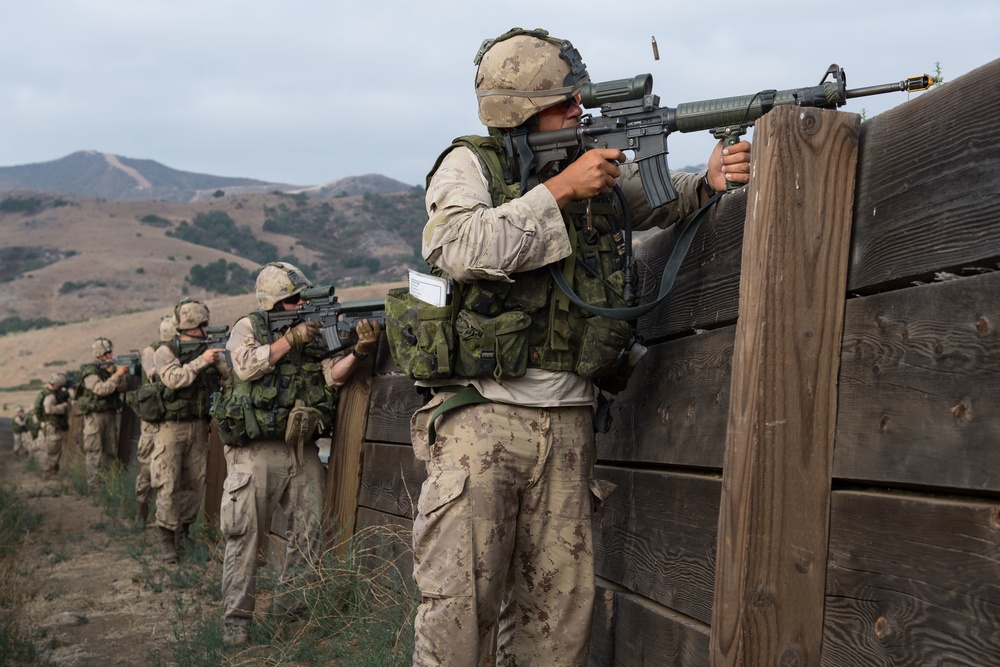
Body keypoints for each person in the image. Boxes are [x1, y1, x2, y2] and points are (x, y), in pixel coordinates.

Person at [403, 28, 752, 666]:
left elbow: (650, 201)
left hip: (568, 426)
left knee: (557, 628)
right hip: (483, 421)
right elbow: (455, 247)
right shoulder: (471, 165)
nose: (579, 112)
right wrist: (562, 191)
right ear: (522, 110)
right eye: (565, 103)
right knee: (457, 619)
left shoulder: (584, 164)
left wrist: (707, 179)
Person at [215, 261, 380, 647]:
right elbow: (244, 367)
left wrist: (358, 351)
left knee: (309, 532)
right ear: (274, 304)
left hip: (302, 449)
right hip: (255, 451)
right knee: (245, 535)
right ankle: (236, 620)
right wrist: (292, 338)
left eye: (302, 299)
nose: (300, 305)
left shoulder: (314, 337)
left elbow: (330, 376)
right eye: (293, 301)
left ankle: (293, 613)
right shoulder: (250, 327)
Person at [150, 299, 230, 563]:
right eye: (203, 325)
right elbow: (173, 379)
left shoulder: (207, 349)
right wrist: (200, 361)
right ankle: (166, 541)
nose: (206, 329)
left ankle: (183, 533)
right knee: (168, 482)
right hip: (170, 428)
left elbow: (229, 378)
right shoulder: (165, 350)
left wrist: (218, 362)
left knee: (195, 482)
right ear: (193, 326)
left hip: (198, 425)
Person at [134, 315, 175, 527]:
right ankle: (141, 510)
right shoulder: (152, 352)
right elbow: (153, 374)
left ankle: (165, 519)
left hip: (172, 421)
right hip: (153, 420)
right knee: (148, 467)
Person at [76, 336, 129, 491]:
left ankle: (110, 482)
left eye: (111, 352)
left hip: (110, 414)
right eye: (108, 353)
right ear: (100, 354)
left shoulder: (109, 369)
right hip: (95, 416)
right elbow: (100, 390)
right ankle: (94, 485)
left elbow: (123, 388)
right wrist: (116, 375)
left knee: (111, 449)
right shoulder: (90, 372)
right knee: (95, 451)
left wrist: (116, 375)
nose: (111, 356)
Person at [35, 372, 71, 479]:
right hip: (52, 425)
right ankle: (49, 473)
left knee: (49, 448)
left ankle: (49, 472)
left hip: (47, 424)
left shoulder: (44, 393)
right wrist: (62, 407)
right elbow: (48, 409)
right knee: (53, 450)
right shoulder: (50, 395)